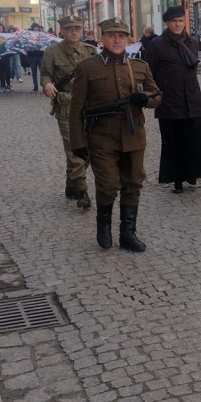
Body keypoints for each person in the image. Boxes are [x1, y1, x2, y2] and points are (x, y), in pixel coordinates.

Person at [69, 17, 161, 252]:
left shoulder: (140, 66)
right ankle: (103, 226)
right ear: (102, 39)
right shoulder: (87, 67)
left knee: (133, 183)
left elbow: (157, 95)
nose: (117, 40)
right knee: (108, 184)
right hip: (102, 136)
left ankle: (128, 234)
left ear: (127, 39)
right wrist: (77, 142)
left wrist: (146, 100)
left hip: (134, 135)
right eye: (112, 35)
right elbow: (76, 108)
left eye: (121, 36)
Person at [141, 5, 201, 193]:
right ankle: (177, 181)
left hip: (193, 100)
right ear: (167, 23)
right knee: (175, 143)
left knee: (200, 135)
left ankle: (192, 173)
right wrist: (154, 95)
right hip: (170, 103)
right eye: (174, 21)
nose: (178, 24)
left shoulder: (191, 42)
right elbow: (148, 73)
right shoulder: (157, 45)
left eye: (181, 20)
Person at [41, 15, 98, 207]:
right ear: (62, 31)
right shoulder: (52, 51)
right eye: (69, 29)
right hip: (66, 106)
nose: (74, 32)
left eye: (77, 29)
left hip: (90, 107)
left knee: (89, 151)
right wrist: (48, 84)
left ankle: (72, 185)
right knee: (75, 151)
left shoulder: (90, 51)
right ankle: (83, 193)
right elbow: (46, 74)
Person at [0, 23, 14, 91]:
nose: (0, 30)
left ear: (3, 29)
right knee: (0, 72)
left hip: (6, 56)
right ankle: (2, 85)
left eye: (1, 28)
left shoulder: (6, 35)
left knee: (7, 71)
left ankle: (8, 84)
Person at [27, 23, 46, 92]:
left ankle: (44, 85)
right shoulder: (29, 35)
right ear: (32, 28)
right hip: (32, 56)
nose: (36, 29)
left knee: (43, 71)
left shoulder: (42, 35)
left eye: (37, 27)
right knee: (34, 72)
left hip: (40, 55)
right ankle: (35, 85)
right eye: (35, 27)